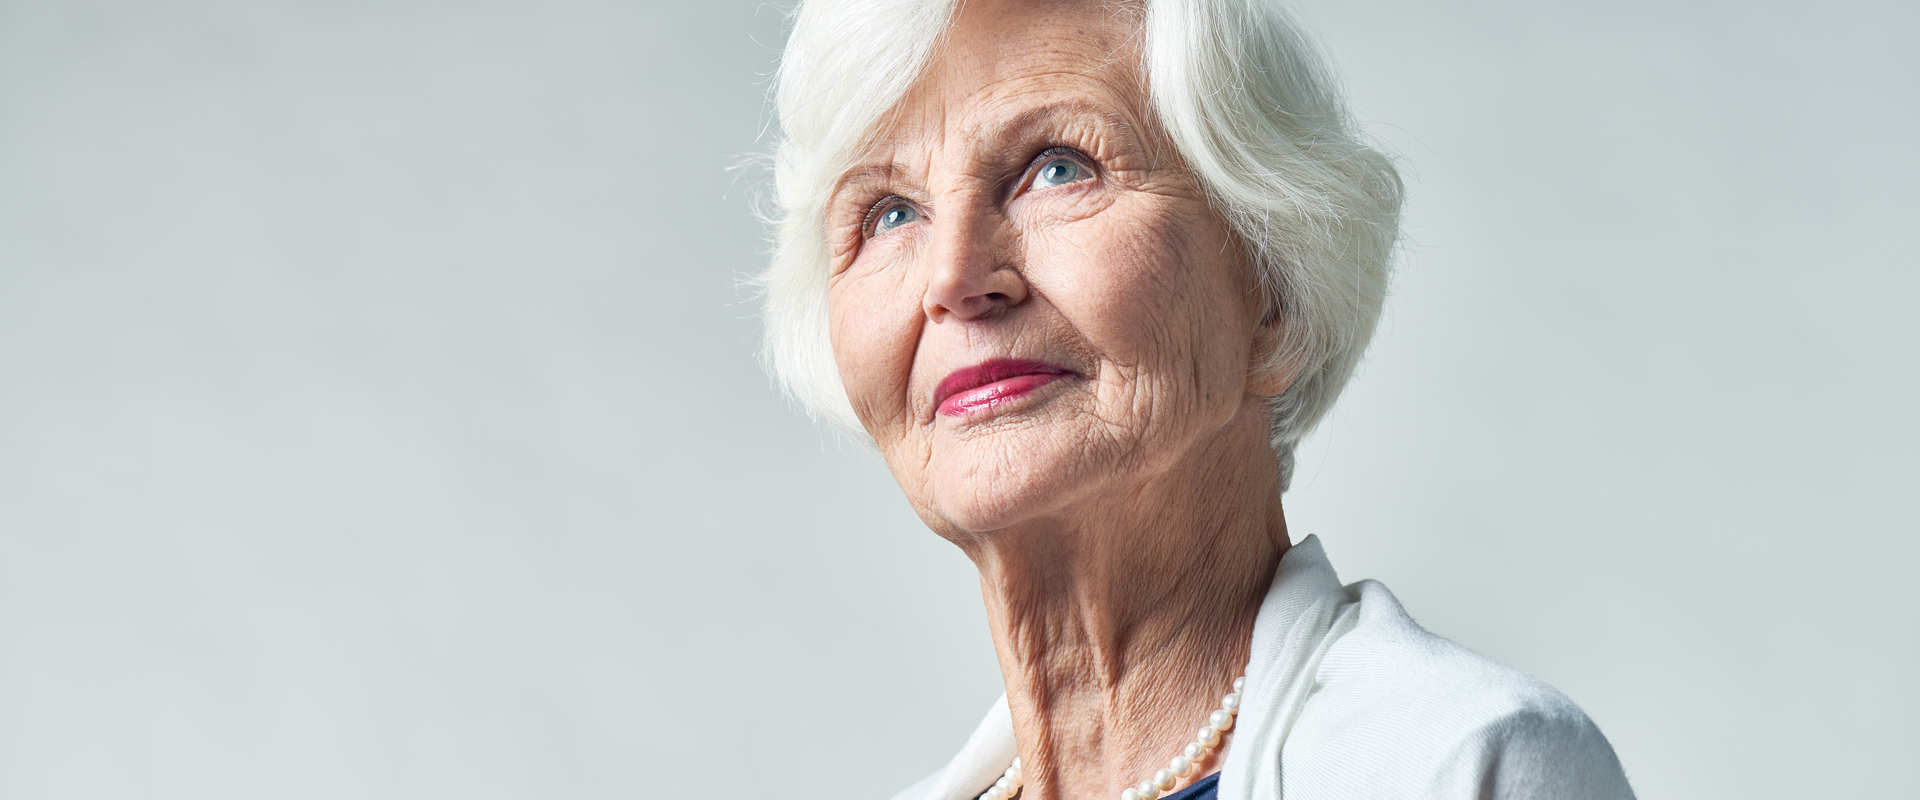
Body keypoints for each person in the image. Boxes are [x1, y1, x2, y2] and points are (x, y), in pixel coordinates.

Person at [757, 0, 1636, 797]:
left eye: (1057, 168)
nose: (952, 279)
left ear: (1272, 294)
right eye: (888, 214)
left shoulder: (1465, 765)